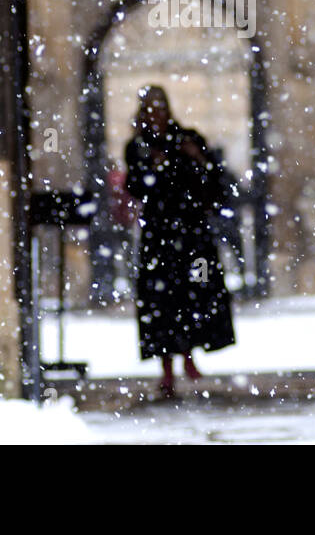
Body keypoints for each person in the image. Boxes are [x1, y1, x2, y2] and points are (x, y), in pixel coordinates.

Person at [125, 85, 235, 398]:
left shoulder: (187, 138)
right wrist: (155, 166)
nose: (156, 115)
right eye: (150, 109)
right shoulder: (140, 146)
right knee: (162, 301)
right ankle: (167, 368)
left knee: (191, 293)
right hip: (159, 233)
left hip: (189, 230)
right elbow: (137, 186)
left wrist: (196, 158)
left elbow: (212, 180)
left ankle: (190, 355)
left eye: (160, 108)